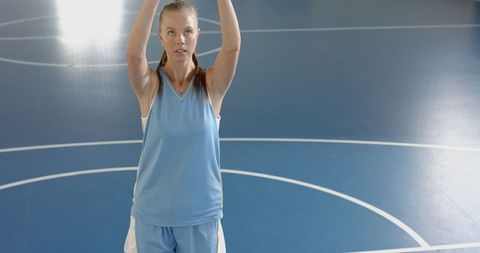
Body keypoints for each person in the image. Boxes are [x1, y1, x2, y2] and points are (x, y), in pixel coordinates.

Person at [124, 0, 240, 252]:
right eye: (171, 32)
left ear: (198, 34)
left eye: (188, 31)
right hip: (152, 216)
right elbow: (134, 54)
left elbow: (232, 48)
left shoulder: (212, 86)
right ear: (160, 37)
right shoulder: (150, 87)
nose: (180, 40)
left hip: (201, 216)